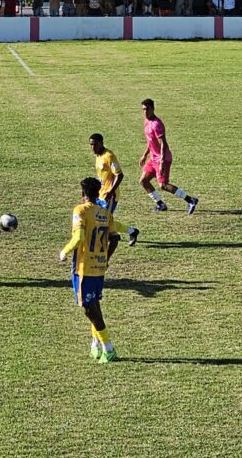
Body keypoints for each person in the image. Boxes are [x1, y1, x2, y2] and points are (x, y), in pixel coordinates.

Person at [58, 177, 118, 363]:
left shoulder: (80, 210)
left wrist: (64, 251)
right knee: (95, 305)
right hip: (99, 266)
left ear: (83, 194)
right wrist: (106, 258)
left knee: (88, 308)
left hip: (84, 267)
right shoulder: (105, 213)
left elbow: (79, 237)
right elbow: (114, 238)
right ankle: (96, 345)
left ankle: (108, 347)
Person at [139, 98, 199, 213]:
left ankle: (190, 200)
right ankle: (160, 204)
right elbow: (150, 141)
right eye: (143, 110)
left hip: (163, 158)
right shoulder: (146, 122)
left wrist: (161, 162)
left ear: (153, 109)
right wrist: (145, 155)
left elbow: (163, 144)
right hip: (153, 158)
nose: (145, 112)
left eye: (147, 109)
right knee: (143, 181)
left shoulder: (157, 124)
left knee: (163, 185)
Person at [89, 133, 140, 247]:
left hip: (110, 196)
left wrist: (110, 192)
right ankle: (130, 231)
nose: (92, 147)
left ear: (101, 143)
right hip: (100, 194)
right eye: (91, 145)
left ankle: (126, 233)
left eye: (95, 144)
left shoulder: (109, 156)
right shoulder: (98, 156)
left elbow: (119, 175)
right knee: (101, 219)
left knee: (104, 220)